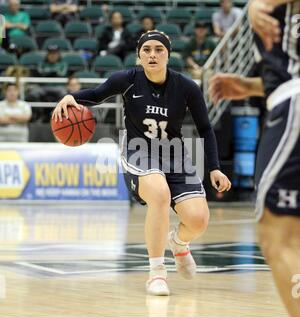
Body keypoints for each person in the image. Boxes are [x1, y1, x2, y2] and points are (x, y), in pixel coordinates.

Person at [52, 30, 231, 296]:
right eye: (147, 50)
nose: (153, 55)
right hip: (139, 153)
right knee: (159, 194)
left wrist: (214, 166)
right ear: (139, 55)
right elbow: (98, 94)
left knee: (198, 220)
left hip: (175, 156)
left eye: (159, 49)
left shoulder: (186, 87)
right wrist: (73, 98)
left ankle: (179, 243)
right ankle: (157, 273)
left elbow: (205, 128)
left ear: (168, 54)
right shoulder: (127, 80)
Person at [209, 0, 300, 317]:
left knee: (279, 235)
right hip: (285, 94)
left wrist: (260, 4)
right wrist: (249, 85)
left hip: (294, 105)